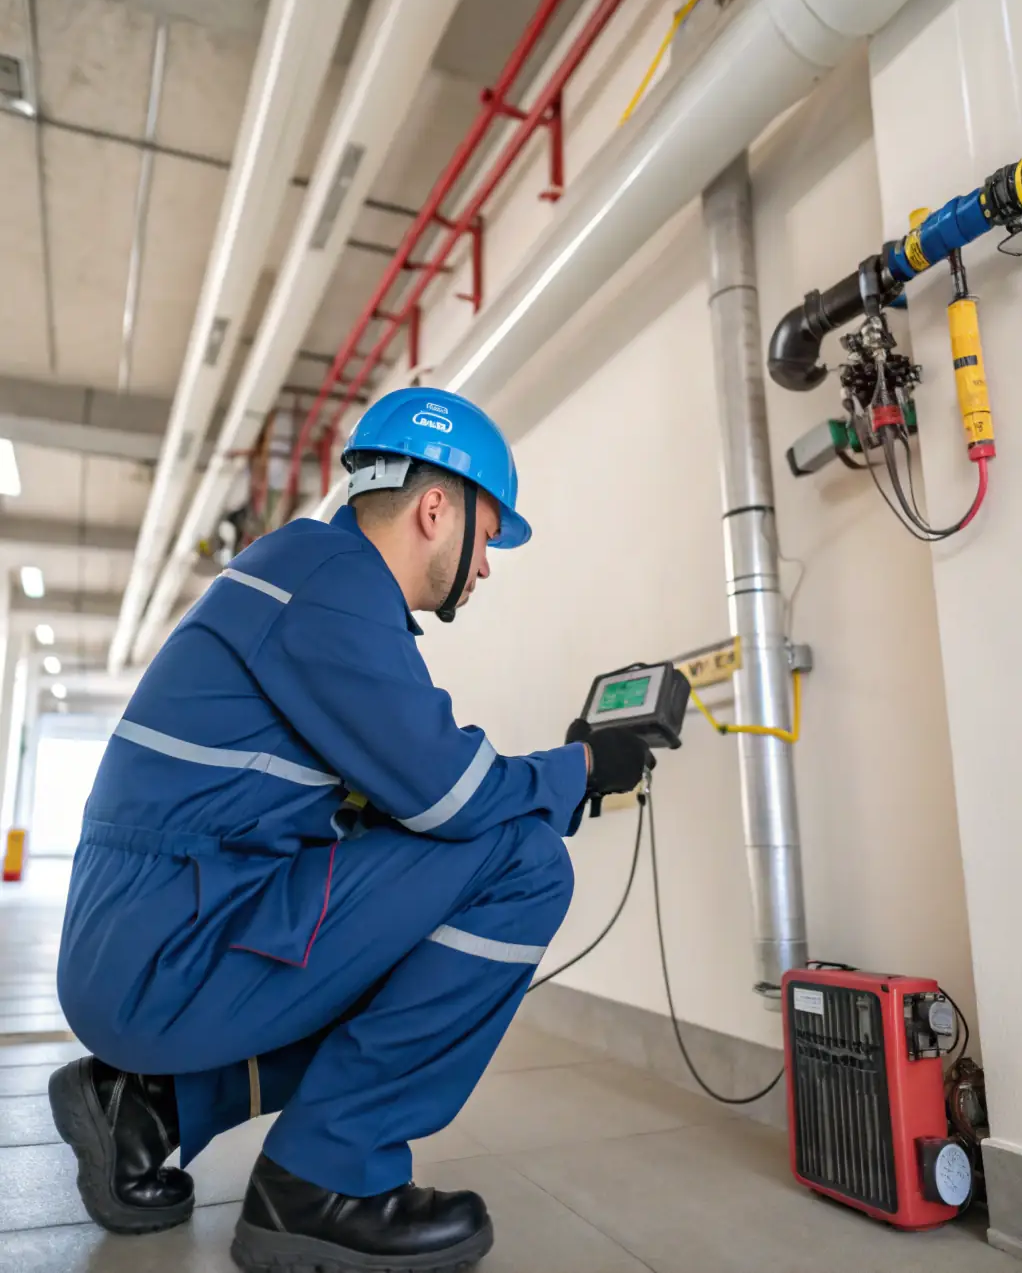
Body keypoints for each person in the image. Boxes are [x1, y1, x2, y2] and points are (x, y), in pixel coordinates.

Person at [50, 387, 652, 1273]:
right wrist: (582, 771)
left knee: (428, 902)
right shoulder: (332, 586)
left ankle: (151, 1106)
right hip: (160, 951)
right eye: (487, 536)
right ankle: (324, 1183)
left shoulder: (308, 575)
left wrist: (534, 782)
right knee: (522, 862)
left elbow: (402, 800)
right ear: (436, 508)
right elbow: (448, 792)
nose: (485, 565)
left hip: (151, 936)